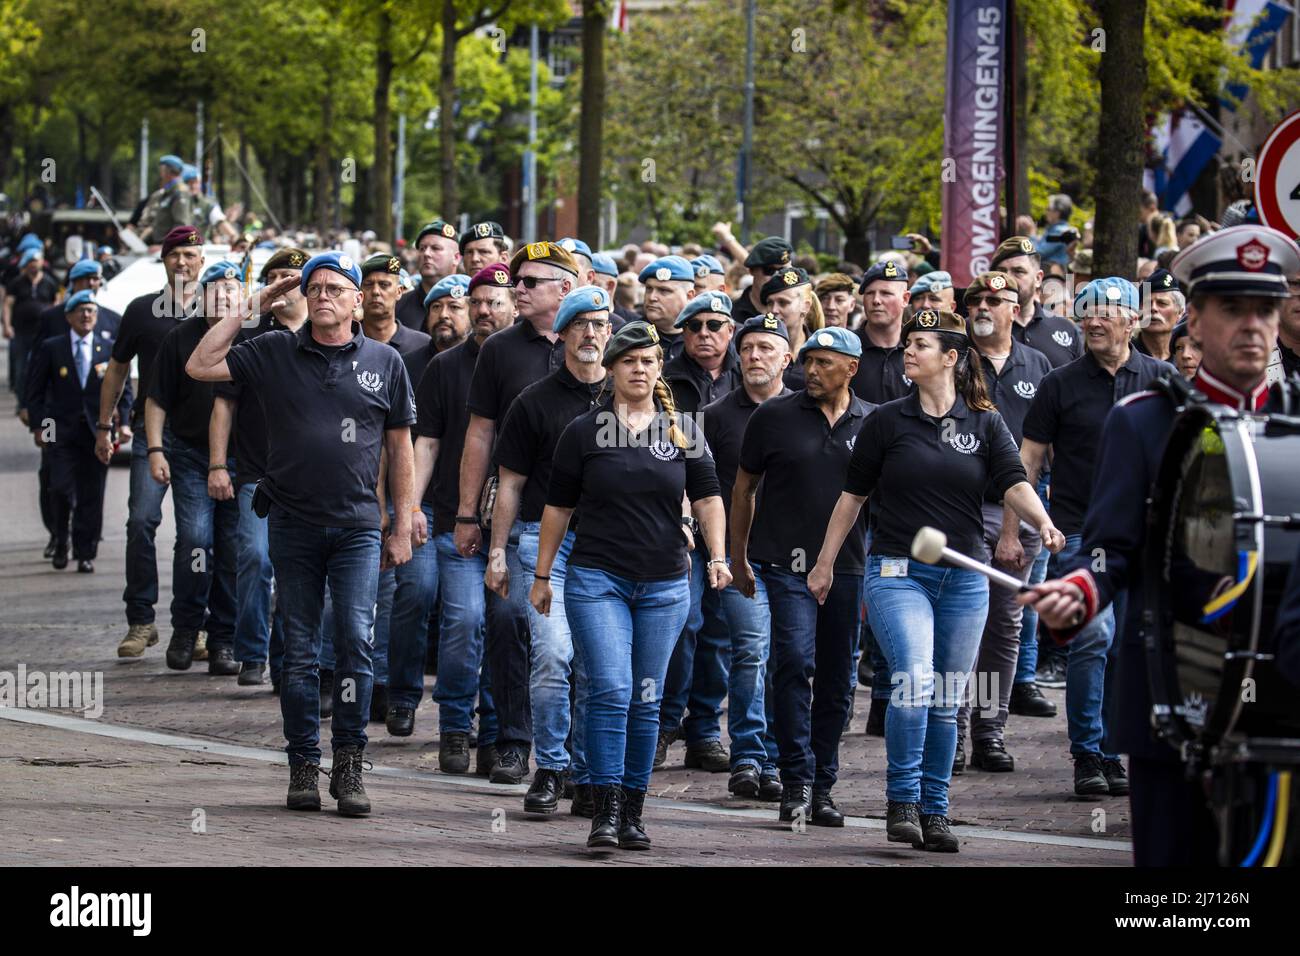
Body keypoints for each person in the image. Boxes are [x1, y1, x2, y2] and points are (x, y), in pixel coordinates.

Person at [1020, 225, 1300, 865]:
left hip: (1282, 692)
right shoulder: (1145, 419)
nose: (1252, 325)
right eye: (1232, 309)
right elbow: (1109, 548)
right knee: (1175, 891)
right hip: (1173, 690)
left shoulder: (1295, 420)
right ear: (1194, 322)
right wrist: (1080, 590)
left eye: (1264, 308)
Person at [810, 308, 1063, 853]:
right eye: (907, 343)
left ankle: (935, 808)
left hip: (965, 579)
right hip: (898, 573)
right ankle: (900, 801)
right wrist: (826, 561)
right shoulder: (885, 421)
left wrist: (1042, 520)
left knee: (947, 697)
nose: (908, 351)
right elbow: (852, 498)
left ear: (950, 357)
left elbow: (1014, 482)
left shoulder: (985, 421)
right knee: (915, 680)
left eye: (920, 344)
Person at [186, 250, 417, 817]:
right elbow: (199, 364)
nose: (323, 296)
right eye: (314, 288)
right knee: (298, 653)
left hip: (358, 526)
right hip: (293, 522)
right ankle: (302, 764)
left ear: (358, 300)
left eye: (336, 288)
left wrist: (402, 522)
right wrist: (253, 304)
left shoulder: (385, 361)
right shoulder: (273, 351)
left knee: (356, 645)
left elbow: (400, 449)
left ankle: (349, 765)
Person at [529, 321, 730, 850]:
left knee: (647, 698)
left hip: (666, 584)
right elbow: (557, 508)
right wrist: (543, 575)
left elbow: (709, 497)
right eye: (630, 361)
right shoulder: (584, 431)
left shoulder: (682, 430)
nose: (639, 369)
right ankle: (604, 808)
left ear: (659, 368)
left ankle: (634, 811)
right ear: (612, 370)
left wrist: (719, 556)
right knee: (611, 691)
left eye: (649, 361)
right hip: (598, 580)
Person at [1019, 276, 1173, 797]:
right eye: (1086, 311)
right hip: (1081, 531)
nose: (1093, 320)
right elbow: (1030, 458)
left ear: (1134, 320)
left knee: (1129, 644)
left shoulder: (1163, 379)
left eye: (1107, 311)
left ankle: (1113, 751)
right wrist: (1030, 524)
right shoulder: (1059, 383)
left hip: (1148, 539)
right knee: (1093, 635)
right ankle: (1087, 752)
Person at [732, 325, 874, 828]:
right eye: (807, 361)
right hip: (784, 565)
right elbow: (744, 488)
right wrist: (737, 555)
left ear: (851, 368)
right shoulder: (773, 416)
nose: (811, 371)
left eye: (825, 363)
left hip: (848, 568)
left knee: (838, 679)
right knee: (794, 660)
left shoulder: (874, 422)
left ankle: (824, 785)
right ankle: (795, 779)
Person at [488, 285, 614, 815]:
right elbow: (510, 484)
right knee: (552, 655)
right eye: (579, 323)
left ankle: (588, 775)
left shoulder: (632, 396)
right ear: (560, 332)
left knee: (596, 666)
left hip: (612, 547)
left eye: (600, 323)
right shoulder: (533, 401)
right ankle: (553, 766)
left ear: (611, 332)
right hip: (545, 544)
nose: (590, 333)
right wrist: (498, 549)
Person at [386, 265, 515, 774]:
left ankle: (498, 729)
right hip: (452, 521)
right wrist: (410, 507)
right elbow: (428, 442)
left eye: (493, 302)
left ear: (513, 304)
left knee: (508, 624)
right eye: (476, 302)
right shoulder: (443, 368)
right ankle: (455, 727)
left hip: (519, 524)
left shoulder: (537, 360)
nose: (484, 311)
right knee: (464, 622)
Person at [458, 241, 576, 784]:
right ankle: (511, 739)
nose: (516, 289)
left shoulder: (604, 338)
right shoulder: (501, 349)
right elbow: (480, 431)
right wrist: (467, 513)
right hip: (520, 513)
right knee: (507, 621)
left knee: (576, 644)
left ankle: (576, 753)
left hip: (594, 528)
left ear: (566, 290)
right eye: (516, 281)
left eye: (529, 282)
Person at [950, 273, 1056, 776]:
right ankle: (951, 729)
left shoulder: (1040, 364)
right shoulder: (952, 358)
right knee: (958, 624)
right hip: (960, 511)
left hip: (1016, 509)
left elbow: (1033, 456)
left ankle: (989, 732)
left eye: (996, 299)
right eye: (977, 300)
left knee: (1002, 628)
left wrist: (1018, 528)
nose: (985, 306)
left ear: (1017, 308)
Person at [98, 226, 205, 659]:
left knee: (196, 537)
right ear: (163, 261)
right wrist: (105, 427)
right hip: (150, 434)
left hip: (201, 439)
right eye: (174, 255)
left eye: (190, 255)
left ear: (202, 261)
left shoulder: (220, 309)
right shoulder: (141, 311)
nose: (183, 262)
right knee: (141, 522)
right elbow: (116, 370)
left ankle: (193, 626)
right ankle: (141, 620)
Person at [698, 313, 792, 800]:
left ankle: (779, 756)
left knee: (789, 658)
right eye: (749, 347)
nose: (755, 356)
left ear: (787, 357)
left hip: (795, 558)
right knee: (750, 651)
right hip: (742, 557)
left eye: (767, 348)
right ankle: (749, 755)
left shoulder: (804, 411)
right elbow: (697, 484)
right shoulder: (714, 416)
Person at [208, 247, 309, 687]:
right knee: (254, 556)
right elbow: (224, 405)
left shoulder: (328, 332)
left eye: (293, 274)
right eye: (276, 276)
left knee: (294, 568)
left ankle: (288, 659)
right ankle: (251, 651)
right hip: (255, 471)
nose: (285, 282)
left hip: (309, 478)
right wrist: (217, 465)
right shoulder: (252, 336)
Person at [145, 261, 244, 675]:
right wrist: (154, 450)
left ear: (243, 296)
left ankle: (223, 638)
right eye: (214, 289)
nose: (222, 296)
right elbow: (156, 399)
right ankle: (186, 628)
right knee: (196, 541)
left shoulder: (255, 337)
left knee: (234, 551)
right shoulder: (179, 338)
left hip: (244, 462)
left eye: (230, 289)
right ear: (200, 295)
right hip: (188, 455)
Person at [656, 292, 741, 772]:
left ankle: (705, 728)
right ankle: (667, 721)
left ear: (730, 330)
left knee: (720, 631)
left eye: (715, 325)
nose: (704, 334)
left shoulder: (746, 377)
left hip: (735, 526)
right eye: (694, 326)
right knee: (683, 625)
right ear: (682, 332)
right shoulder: (665, 380)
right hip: (681, 526)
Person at [24, 290, 131, 572]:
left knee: (92, 493)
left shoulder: (108, 348)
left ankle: (85, 551)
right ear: (69, 316)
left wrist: (126, 423)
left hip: (98, 432)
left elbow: (124, 387)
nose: (86, 316)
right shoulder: (52, 347)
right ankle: (61, 539)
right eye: (81, 311)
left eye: (91, 311)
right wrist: (38, 425)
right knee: (59, 488)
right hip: (59, 430)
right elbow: (34, 390)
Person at [4, 246, 59, 403]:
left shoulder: (49, 282)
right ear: (26, 264)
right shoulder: (16, 283)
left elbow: (56, 303)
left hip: (43, 333)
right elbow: (8, 304)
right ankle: (23, 404)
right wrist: (7, 326)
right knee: (22, 370)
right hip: (21, 333)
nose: (34, 265)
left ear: (42, 262)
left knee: (43, 369)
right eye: (31, 262)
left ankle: (41, 402)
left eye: (37, 261)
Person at [760, 267, 825, 389]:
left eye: (783, 302)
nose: (774, 310)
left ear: (805, 306)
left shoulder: (821, 349)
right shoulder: (757, 351)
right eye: (769, 303)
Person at [397, 220, 462, 330]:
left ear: (456, 258)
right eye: (422, 248)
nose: (426, 254)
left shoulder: (470, 302)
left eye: (436, 248)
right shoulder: (399, 306)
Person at [637, 255, 697, 363]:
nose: (652, 297)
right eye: (649, 289)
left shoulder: (702, 337)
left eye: (664, 291)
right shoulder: (630, 336)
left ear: (689, 296)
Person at [136, 155, 193, 247]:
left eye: (162, 170)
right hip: (161, 246)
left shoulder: (180, 192)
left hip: (168, 248)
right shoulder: (168, 192)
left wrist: (164, 246)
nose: (160, 174)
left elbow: (181, 225)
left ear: (169, 171)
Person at [733, 237, 794, 322]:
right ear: (752, 270)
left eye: (783, 271)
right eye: (769, 270)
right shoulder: (732, 313)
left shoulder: (796, 312)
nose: (776, 276)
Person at [1134, 269, 1181, 361]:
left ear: (1179, 313)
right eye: (1147, 303)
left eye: (1162, 303)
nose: (1153, 308)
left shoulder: (1187, 358)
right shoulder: (1125, 356)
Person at [423, 273, 472, 353]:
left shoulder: (485, 360)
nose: (443, 315)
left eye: (454, 307)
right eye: (436, 307)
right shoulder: (408, 362)